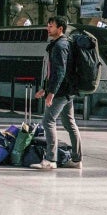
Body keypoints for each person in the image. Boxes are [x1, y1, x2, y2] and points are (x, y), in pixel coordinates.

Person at [31, 15, 82, 170]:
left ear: (60, 29)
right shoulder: (63, 44)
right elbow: (54, 72)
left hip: (61, 92)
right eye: (48, 25)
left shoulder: (60, 46)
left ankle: (50, 159)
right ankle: (76, 159)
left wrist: (51, 93)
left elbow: (59, 72)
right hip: (68, 90)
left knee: (48, 121)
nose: (48, 28)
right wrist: (45, 89)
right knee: (69, 123)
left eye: (51, 26)